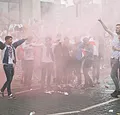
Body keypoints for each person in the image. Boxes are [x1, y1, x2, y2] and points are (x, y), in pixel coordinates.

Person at [98, 19, 120, 97]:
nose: (116, 29)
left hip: (118, 58)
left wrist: (117, 49)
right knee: (116, 75)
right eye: (116, 28)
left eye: (118, 28)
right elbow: (106, 29)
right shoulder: (114, 35)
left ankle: (118, 90)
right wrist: (101, 22)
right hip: (113, 57)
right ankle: (117, 89)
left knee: (112, 74)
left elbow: (117, 48)